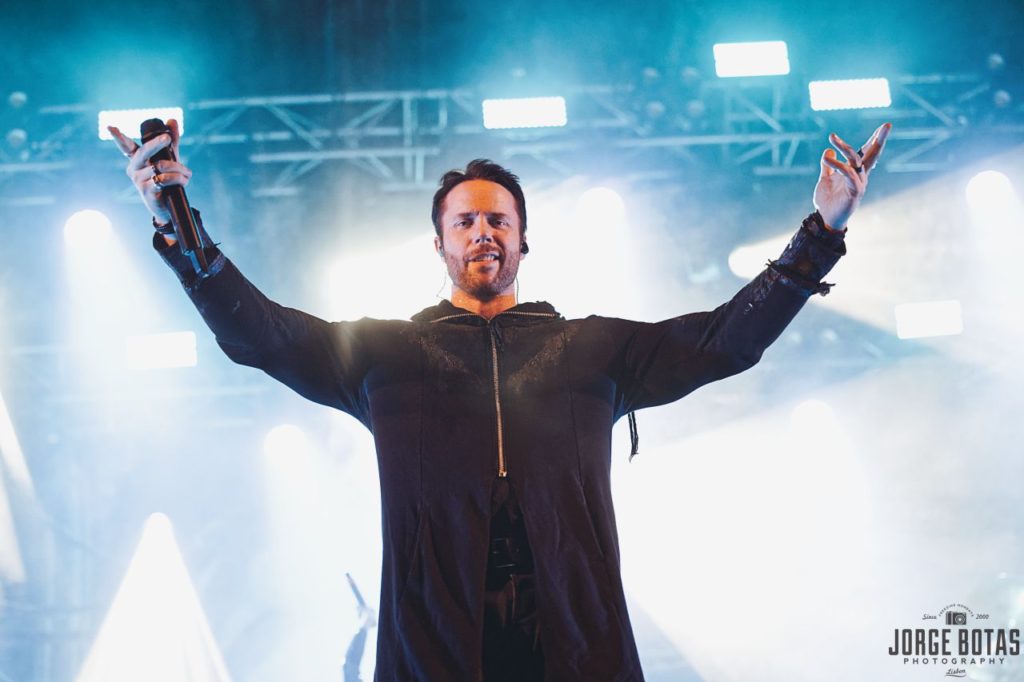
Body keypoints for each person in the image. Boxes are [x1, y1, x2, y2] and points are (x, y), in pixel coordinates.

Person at [109, 119, 891, 681]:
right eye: (466, 221)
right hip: (437, 645)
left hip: (574, 641)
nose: (483, 231)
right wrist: (179, 228)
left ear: (522, 240)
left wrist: (822, 232)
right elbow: (266, 336)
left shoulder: (592, 348)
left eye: (499, 220)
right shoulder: (382, 355)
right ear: (440, 244)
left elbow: (724, 340)